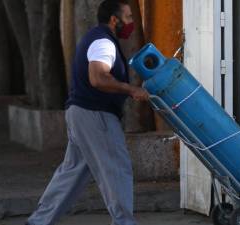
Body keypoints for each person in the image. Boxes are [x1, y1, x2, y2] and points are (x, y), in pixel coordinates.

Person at [26, 0, 149, 224]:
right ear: (114, 19)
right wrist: (132, 90)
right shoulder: (104, 43)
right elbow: (98, 77)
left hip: (80, 113)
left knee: (72, 173)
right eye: (129, 17)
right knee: (116, 168)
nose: (131, 22)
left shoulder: (96, 38)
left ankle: (38, 221)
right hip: (96, 115)